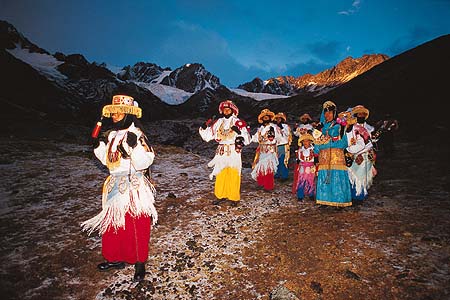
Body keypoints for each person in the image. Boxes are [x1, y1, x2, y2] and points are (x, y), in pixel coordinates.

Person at [81, 94, 158, 282]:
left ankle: (139, 262)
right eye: (113, 112)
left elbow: (146, 161)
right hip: (115, 184)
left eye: (117, 112)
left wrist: (133, 149)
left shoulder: (138, 135)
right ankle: (115, 257)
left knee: (136, 223)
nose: (114, 115)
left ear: (127, 114)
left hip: (134, 185)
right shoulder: (112, 136)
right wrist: (98, 147)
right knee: (114, 223)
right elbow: (110, 162)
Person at [199, 100, 251, 206]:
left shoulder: (238, 122)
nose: (226, 111)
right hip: (221, 151)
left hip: (233, 150)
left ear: (232, 110)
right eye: (224, 110)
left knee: (233, 173)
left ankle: (233, 197)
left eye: (228, 109)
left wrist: (239, 132)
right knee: (220, 173)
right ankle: (220, 195)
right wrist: (204, 127)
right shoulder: (218, 122)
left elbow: (247, 139)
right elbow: (208, 136)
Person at [313, 100, 352, 207]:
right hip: (324, 158)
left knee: (337, 179)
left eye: (330, 112)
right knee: (324, 178)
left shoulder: (340, 126)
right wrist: (319, 149)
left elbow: (343, 143)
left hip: (337, 157)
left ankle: (339, 201)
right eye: (325, 113)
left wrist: (326, 143)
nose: (327, 115)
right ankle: (324, 200)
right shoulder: (320, 128)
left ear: (334, 113)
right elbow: (316, 146)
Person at [345, 105, 377, 202]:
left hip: (366, 156)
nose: (361, 115)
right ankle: (353, 197)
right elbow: (348, 141)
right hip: (353, 156)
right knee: (353, 177)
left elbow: (372, 141)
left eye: (363, 114)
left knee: (363, 177)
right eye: (359, 114)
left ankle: (361, 197)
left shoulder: (370, 128)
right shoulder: (350, 128)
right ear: (355, 115)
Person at [251, 109, 282, 191]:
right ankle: (261, 183)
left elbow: (280, 138)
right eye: (264, 117)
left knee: (269, 167)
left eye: (267, 117)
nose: (265, 118)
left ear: (270, 118)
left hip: (270, 150)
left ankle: (268, 186)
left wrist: (273, 138)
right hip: (261, 150)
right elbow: (255, 138)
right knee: (261, 166)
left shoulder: (274, 127)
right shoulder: (260, 129)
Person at [292, 133, 317, 202]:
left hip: (310, 166)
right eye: (304, 141)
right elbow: (298, 159)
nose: (305, 143)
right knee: (301, 181)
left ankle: (311, 194)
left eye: (307, 141)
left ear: (310, 142)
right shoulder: (300, 150)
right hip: (302, 167)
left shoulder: (314, 149)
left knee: (310, 181)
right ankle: (300, 195)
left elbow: (315, 158)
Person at [273, 112, 292, 181]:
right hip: (275, 145)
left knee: (283, 160)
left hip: (283, 145)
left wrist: (282, 129)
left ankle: (284, 175)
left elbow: (288, 135)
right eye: (277, 118)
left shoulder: (286, 126)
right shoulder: (274, 126)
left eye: (279, 118)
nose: (278, 120)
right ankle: (277, 174)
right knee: (276, 160)